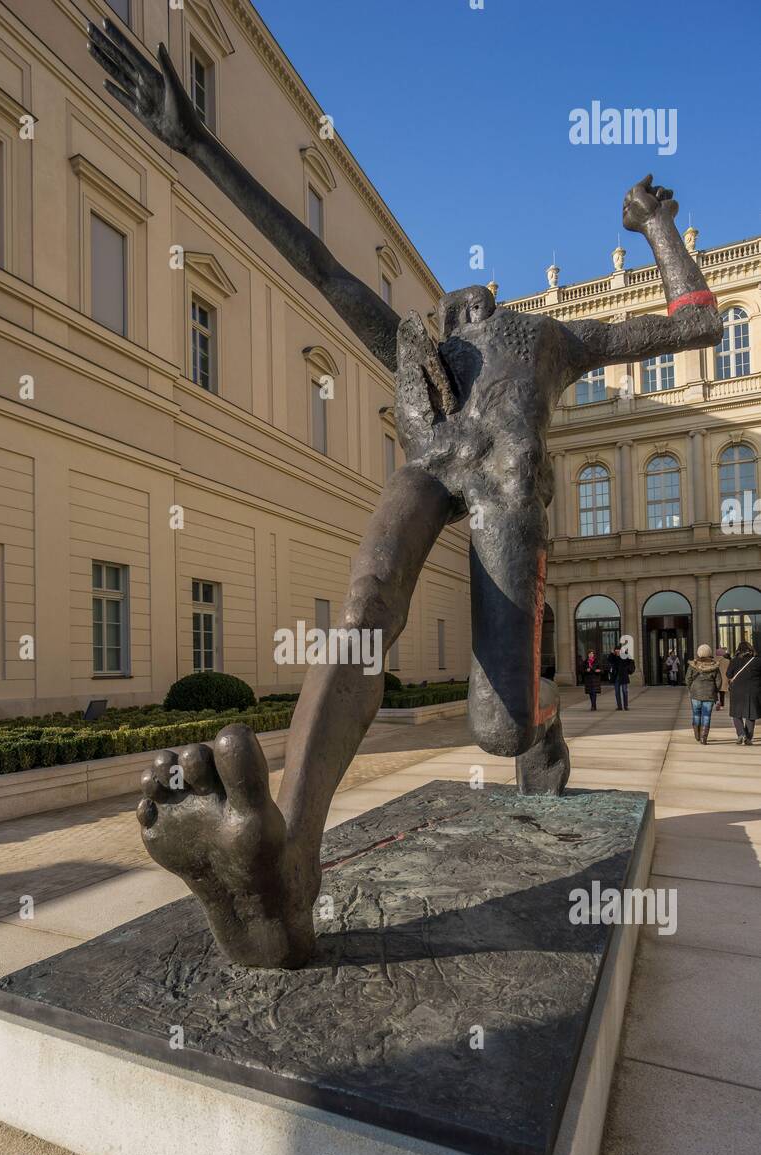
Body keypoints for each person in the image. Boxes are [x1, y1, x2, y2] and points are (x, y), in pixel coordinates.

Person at [89, 25, 725, 965]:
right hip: (431, 469)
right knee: (367, 594)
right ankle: (289, 850)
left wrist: (655, 226)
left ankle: (539, 752)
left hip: (508, 490)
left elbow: (697, 323)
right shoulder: (409, 344)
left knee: (504, 722)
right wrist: (197, 145)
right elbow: (316, 261)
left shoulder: (546, 338)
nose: (459, 309)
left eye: (472, 302)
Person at [726, 640, 761, 745]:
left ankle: (741, 734)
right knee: (751, 714)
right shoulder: (758, 661)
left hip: (737, 690)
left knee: (736, 713)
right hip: (753, 690)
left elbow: (728, 674)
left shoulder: (734, 660)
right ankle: (748, 738)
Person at [685, 644, 721, 744]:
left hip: (695, 693)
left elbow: (687, 679)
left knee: (696, 714)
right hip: (709, 694)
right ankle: (703, 738)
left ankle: (697, 735)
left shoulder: (693, 665)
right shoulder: (714, 666)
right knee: (706, 716)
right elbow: (718, 682)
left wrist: (691, 689)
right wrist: (715, 691)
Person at [607, 645, 635, 709]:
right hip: (616, 677)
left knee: (624, 691)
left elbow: (631, 661)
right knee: (617, 692)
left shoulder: (624, 656)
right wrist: (611, 654)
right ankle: (619, 706)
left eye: (618, 649)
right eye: (616, 649)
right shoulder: (613, 657)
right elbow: (609, 660)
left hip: (624, 676)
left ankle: (626, 706)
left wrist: (626, 653)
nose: (617, 651)